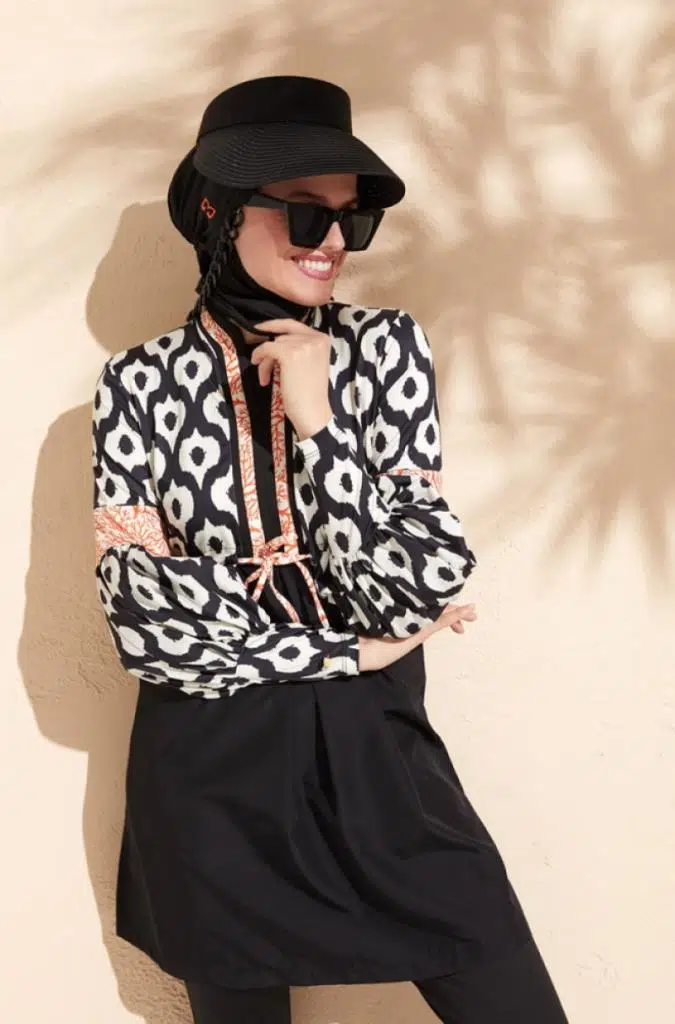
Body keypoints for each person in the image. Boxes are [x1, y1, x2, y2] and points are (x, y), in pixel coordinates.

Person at [91, 75, 569, 1023]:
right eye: (306, 214)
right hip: (208, 771)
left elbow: (412, 587)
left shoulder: (385, 353)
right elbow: (148, 627)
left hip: (374, 749)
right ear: (221, 212)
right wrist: (349, 650)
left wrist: (318, 424)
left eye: (353, 218)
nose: (335, 243)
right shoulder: (138, 384)